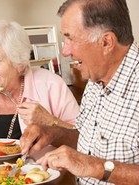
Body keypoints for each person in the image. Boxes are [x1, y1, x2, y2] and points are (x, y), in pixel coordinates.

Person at [20, 0, 139, 184]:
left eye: (70, 38)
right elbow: (89, 143)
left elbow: (89, 162)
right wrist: (54, 134)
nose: (65, 51)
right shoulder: (95, 75)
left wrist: (94, 167)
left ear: (106, 42)